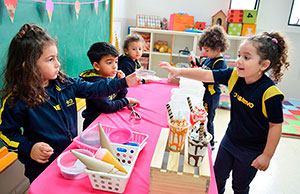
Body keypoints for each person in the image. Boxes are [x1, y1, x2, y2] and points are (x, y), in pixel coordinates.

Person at [0, 24, 140, 183]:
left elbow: (94, 88)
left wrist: (123, 83)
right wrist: (29, 148)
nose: (58, 64)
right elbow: (6, 132)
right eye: (50, 59)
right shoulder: (17, 99)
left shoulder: (64, 83)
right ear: (28, 66)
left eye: (57, 58)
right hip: (41, 168)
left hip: (69, 156)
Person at [159, 31, 289, 194]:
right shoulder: (234, 75)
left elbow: (275, 126)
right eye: (239, 55)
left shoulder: (271, 93)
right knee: (217, 179)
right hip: (229, 141)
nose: (239, 61)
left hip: (251, 151)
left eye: (246, 57)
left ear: (263, 65)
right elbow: (206, 74)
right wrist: (179, 71)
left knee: (239, 187)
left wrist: (267, 156)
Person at [79, 42, 140, 130]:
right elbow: (108, 107)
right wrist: (127, 101)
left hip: (106, 121)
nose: (115, 66)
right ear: (97, 66)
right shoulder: (95, 85)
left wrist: (121, 84)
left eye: (116, 62)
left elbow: (118, 98)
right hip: (94, 126)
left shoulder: (108, 78)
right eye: (109, 63)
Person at [189, 25, 229, 150]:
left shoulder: (220, 63)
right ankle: (199, 137)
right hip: (203, 93)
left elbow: (208, 76)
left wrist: (197, 73)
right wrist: (194, 61)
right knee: (201, 118)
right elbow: (202, 68)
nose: (205, 53)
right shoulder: (209, 59)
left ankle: (210, 143)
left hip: (211, 96)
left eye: (207, 50)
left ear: (217, 48)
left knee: (208, 119)